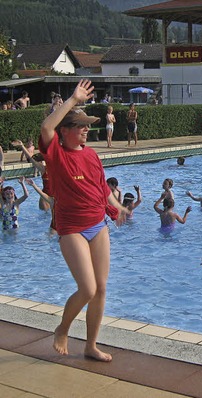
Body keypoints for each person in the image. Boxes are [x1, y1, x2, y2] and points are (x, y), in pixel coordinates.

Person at [40, 79, 129, 362]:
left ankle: (91, 345)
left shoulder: (91, 155)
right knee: (87, 288)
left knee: (101, 288)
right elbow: (45, 128)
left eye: (88, 126)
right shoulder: (56, 155)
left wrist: (118, 209)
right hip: (71, 228)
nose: (87, 130)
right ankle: (62, 329)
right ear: (65, 132)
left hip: (97, 224)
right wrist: (73, 100)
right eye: (81, 126)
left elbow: (102, 189)